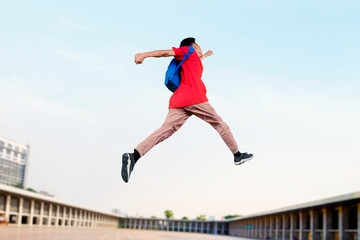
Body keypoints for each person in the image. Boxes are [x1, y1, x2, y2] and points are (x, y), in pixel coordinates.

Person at [121, 37, 253, 183]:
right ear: (195, 46)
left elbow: (198, 60)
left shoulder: (193, 59)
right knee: (220, 124)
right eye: (199, 47)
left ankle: (133, 156)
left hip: (180, 101)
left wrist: (205, 56)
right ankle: (237, 155)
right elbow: (166, 53)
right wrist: (144, 54)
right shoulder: (187, 50)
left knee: (164, 131)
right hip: (195, 98)